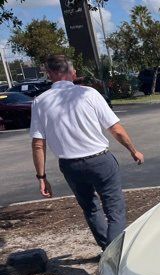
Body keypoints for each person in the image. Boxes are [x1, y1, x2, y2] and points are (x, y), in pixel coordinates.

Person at [30, 54, 144, 250]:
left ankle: (107, 250)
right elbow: (115, 129)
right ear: (68, 72)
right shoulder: (88, 94)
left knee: (91, 209)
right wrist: (133, 150)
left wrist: (41, 176)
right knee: (115, 211)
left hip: (70, 165)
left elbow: (38, 144)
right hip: (100, 161)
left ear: (50, 74)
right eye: (74, 70)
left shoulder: (40, 102)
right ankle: (114, 257)